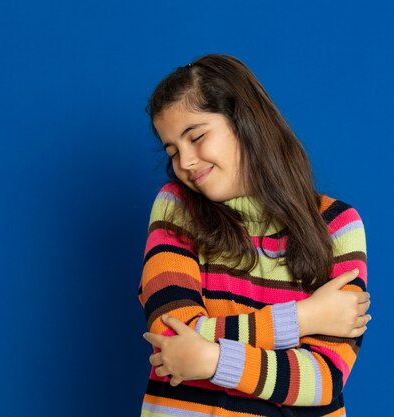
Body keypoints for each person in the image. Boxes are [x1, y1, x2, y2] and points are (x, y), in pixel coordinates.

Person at [138, 53, 371, 417]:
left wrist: (212, 358)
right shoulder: (177, 207)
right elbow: (173, 338)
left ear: (244, 121)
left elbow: (323, 380)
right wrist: (304, 318)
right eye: (172, 151)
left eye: (196, 137)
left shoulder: (338, 224)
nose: (184, 162)